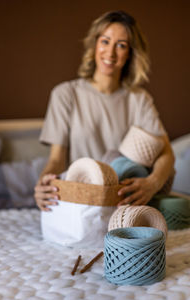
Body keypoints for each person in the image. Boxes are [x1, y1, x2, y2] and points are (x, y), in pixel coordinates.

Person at [34, 10, 175, 211]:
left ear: (130, 53)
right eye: (105, 41)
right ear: (95, 44)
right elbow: (56, 160)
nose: (110, 53)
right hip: (82, 199)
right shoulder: (65, 94)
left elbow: (167, 153)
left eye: (121, 45)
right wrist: (44, 183)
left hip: (122, 201)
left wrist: (152, 184)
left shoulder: (139, 99)